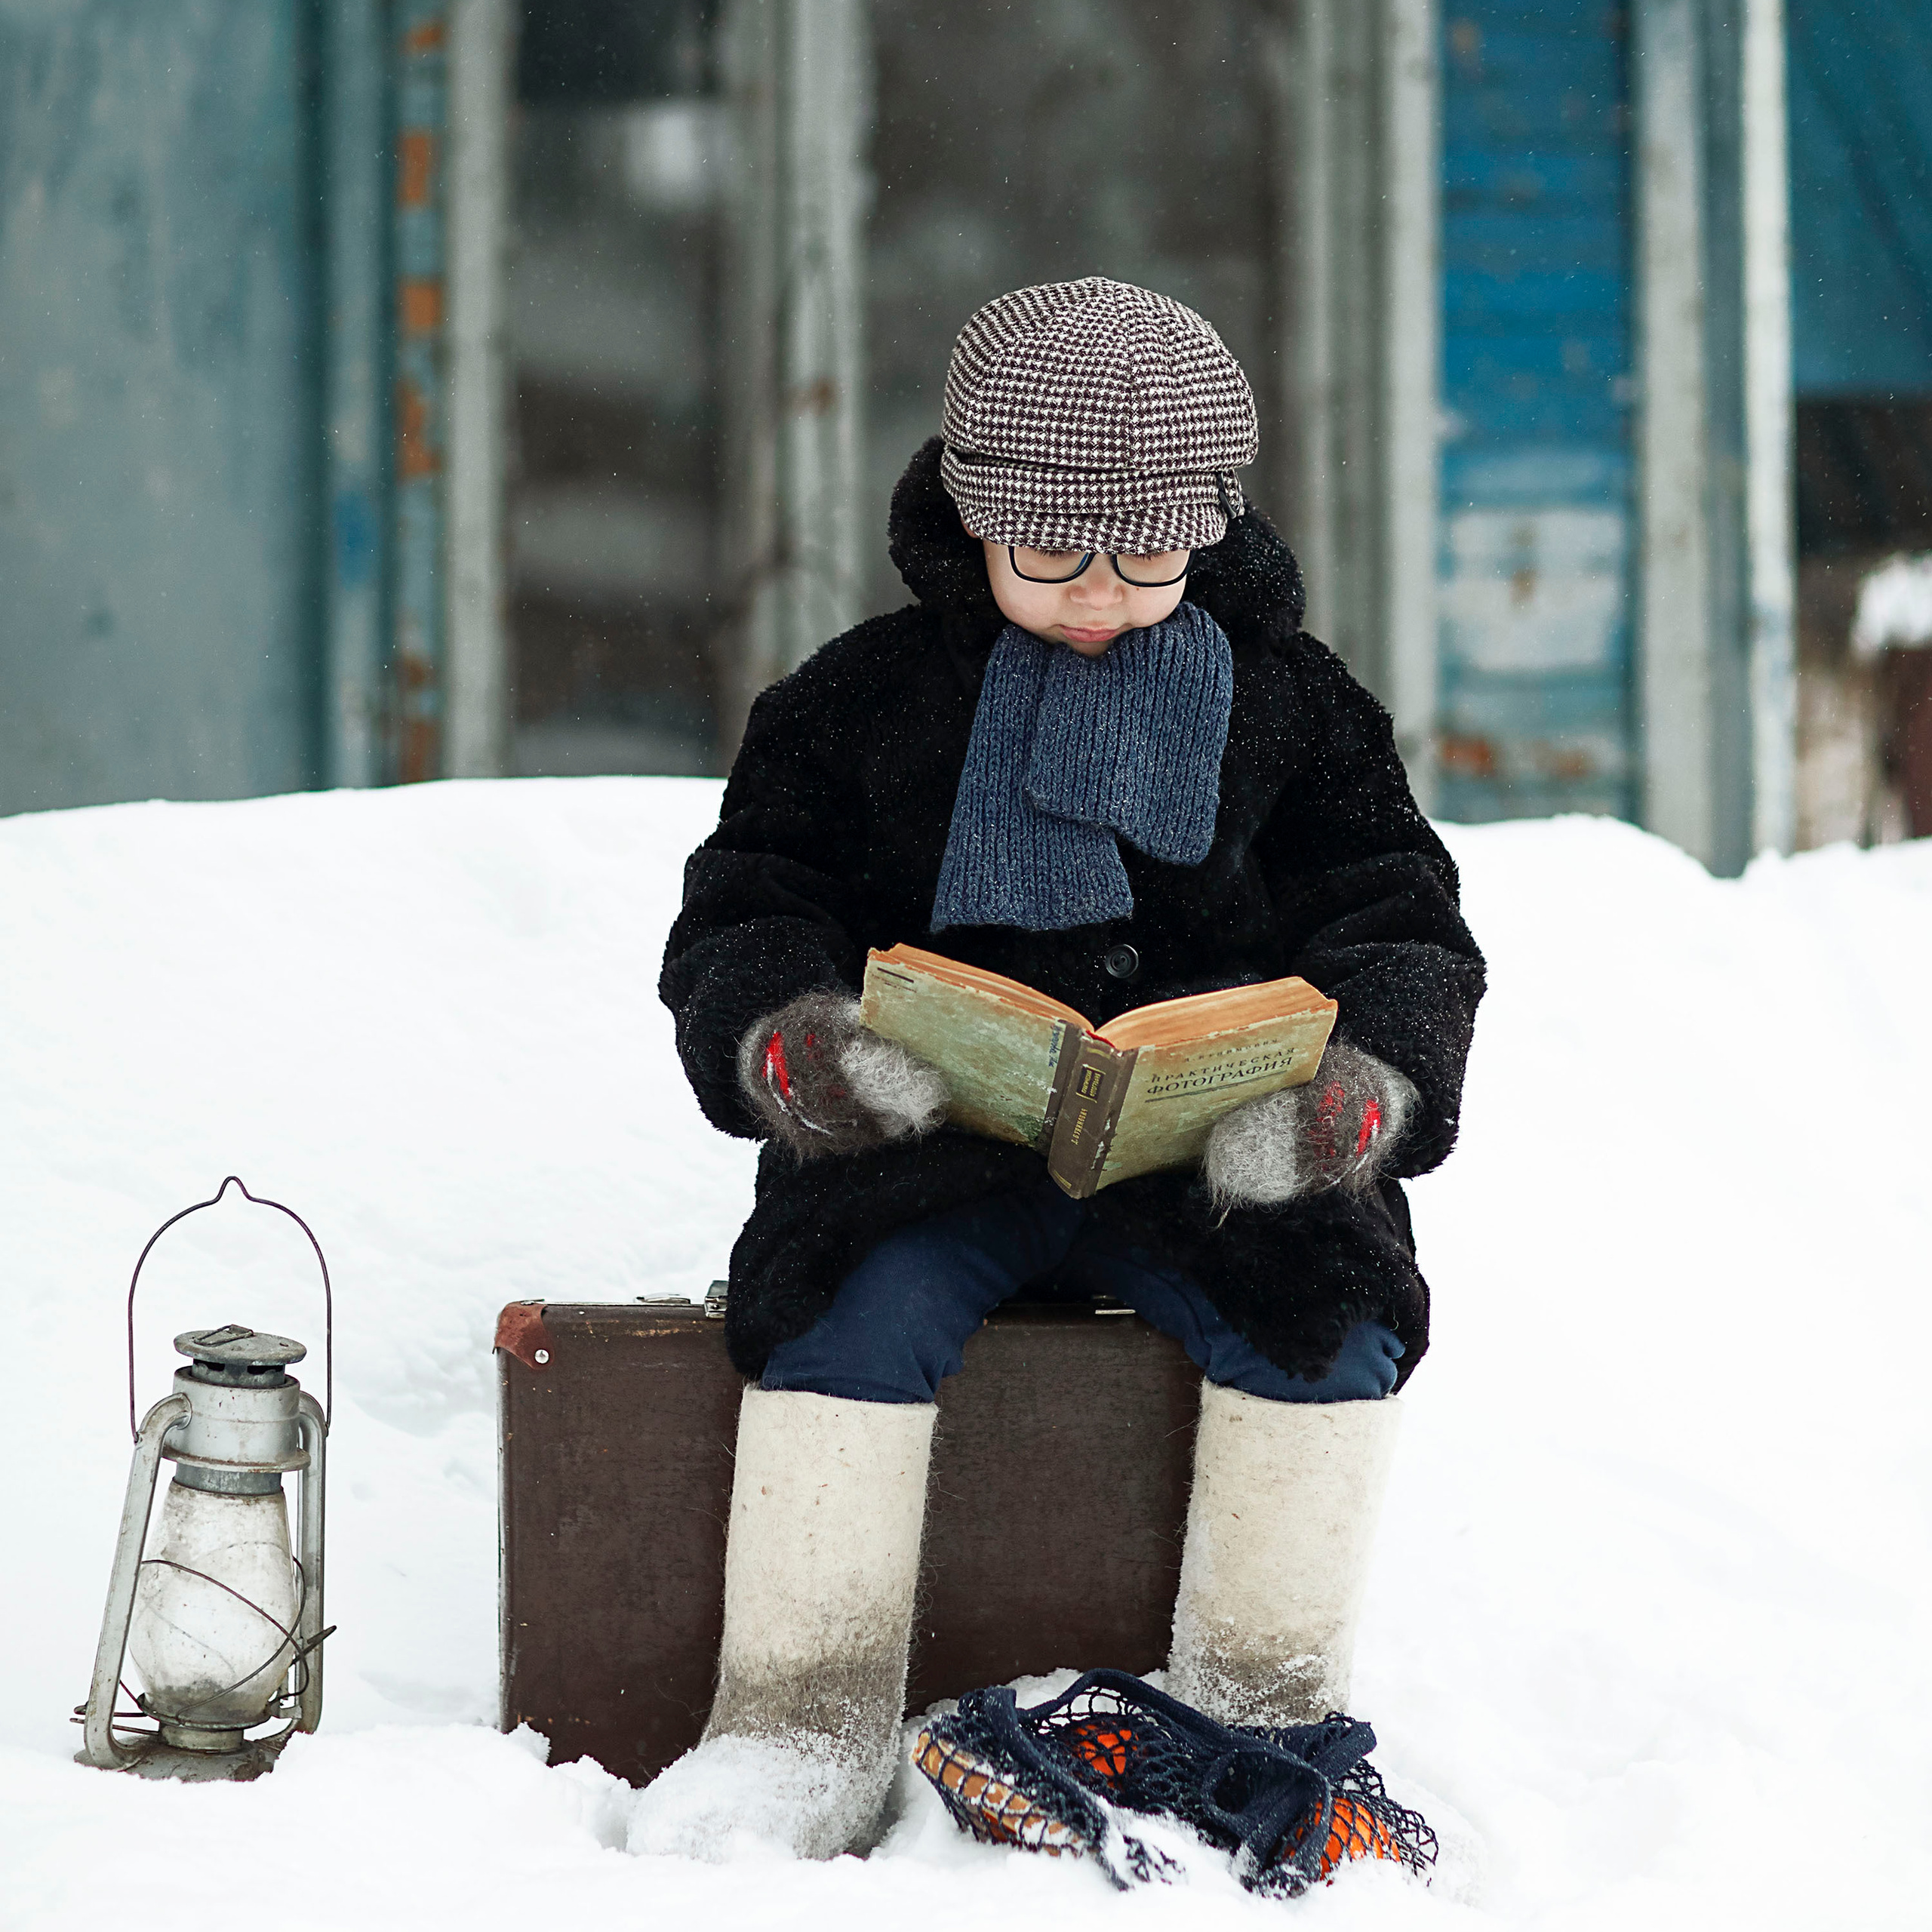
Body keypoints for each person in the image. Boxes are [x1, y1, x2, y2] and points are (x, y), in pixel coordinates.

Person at [635, 278, 1485, 1862]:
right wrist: (795, 1047)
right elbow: (753, 903)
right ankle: (799, 1721)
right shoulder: (858, 702)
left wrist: (1356, 1091)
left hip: (1215, 1155)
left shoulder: (1291, 710)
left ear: (1209, 528)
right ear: (972, 519)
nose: (1097, 594)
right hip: (932, 1140)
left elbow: (1399, 917)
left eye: (1144, 556)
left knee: (1327, 1315)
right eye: (1050, 557)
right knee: (842, 1307)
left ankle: (1260, 1707)